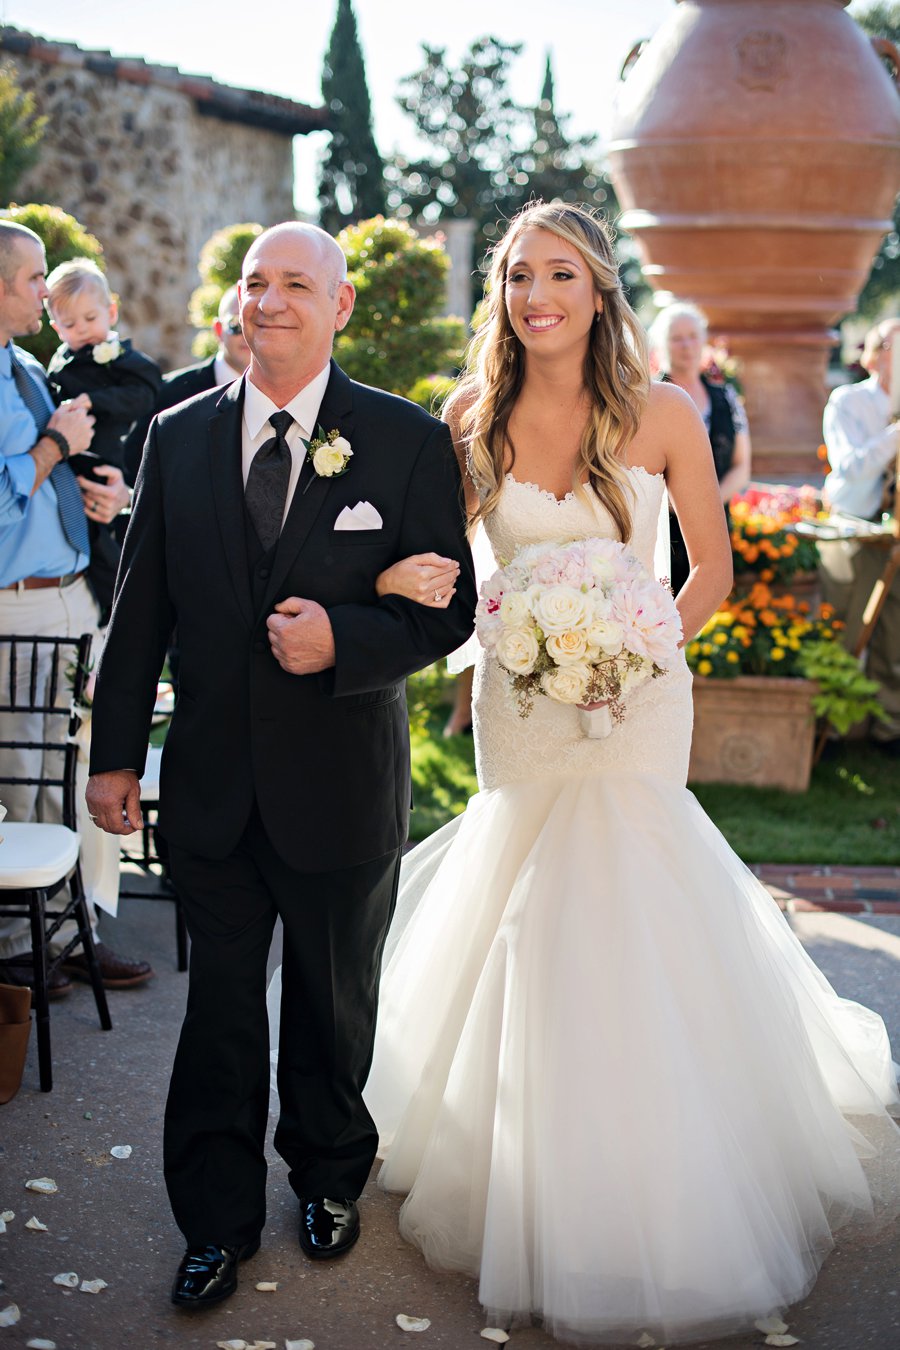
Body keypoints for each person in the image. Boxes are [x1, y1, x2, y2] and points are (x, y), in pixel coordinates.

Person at [337, 203, 898, 1346]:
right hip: (520, 704)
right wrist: (400, 590)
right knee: (523, 910)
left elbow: (712, 574)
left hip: (637, 701)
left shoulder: (666, 412)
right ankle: (524, 1159)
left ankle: (654, 1164)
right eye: (516, 276)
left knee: (627, 906)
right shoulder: (469, 418)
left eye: (559, 274)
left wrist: (636, 651)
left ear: (599, 290)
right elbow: (449, 570)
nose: (535, 294)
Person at [84, 222, 476, 1309]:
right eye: (256, 282)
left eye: (296, 284)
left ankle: (327, 1175)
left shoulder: (402, 442)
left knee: (330, 1001)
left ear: (341, 305)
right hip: (209, 780)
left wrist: (344, 637)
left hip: (342, 781)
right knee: (217, 1010)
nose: (270, 300)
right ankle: (213, 1221)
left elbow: (448, 620)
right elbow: (140, 611)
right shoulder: (180, 435)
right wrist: (117, 758)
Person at [0, 220, 153, 998]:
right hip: (17, 610)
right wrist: (56, 447)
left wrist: (107, 501)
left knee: (84, 760)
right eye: (33, 281)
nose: (45, 292)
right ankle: (24, 945)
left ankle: (76, 925)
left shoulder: (27, 368)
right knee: (24, 774)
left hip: (72, 597)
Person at [45, 257, 162, 624]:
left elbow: (144, 393)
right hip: (63, 458)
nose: (82, 330)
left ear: (111, 312)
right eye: (69, 324)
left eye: (90, 319)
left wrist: (95, 400)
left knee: (98, 532)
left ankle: (116, 608)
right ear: (55, 327)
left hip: (101, 456)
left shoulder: (122, 358)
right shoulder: (59, 361)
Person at [819, 317, 900, 753]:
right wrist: (894, 436)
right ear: (878, 351)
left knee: (895, 636)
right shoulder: (848, 401)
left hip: (897, 532)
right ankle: (828, 730)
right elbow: (848, 468)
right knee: (846, 629)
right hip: (856, 529)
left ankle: (888, 731)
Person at [648, 302, 751, 593]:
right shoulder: (646, 398)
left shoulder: (726, 397)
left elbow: (742, 466)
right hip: (662, 534)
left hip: (716, 527)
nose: (686, 345)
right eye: (676, 337)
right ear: (662, 345)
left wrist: (705, 509)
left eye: (693, 336)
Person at [122, 284, 250, 482]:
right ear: (218, 330)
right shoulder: (168, 393)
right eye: (235, 324)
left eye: (254, 323)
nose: (246, 333)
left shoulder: (284, 395)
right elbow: (133, 466)